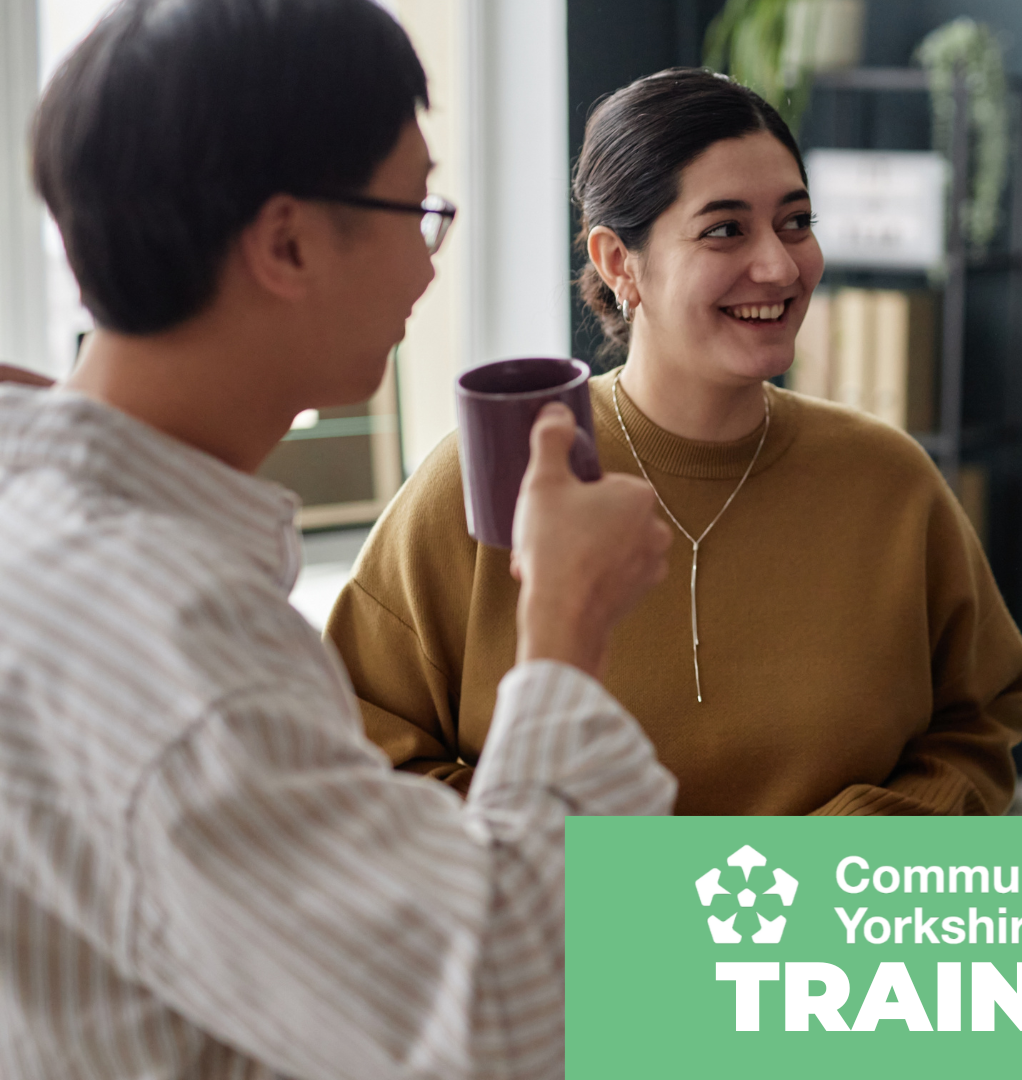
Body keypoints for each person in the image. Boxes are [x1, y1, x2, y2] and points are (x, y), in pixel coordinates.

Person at [1, 1, 680, 1076]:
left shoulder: (45, 518)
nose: (427, 269)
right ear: (286, 242)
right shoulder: (180, 653)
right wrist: (564, 629)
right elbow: (501, 1019)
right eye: (416, 210)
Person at [327, 69, 1022, 815]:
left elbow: (980, 717)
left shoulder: (891, 482)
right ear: (617, 263)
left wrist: (843, 862)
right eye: (725, 229)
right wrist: (596, 876)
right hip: (566, 927)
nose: (780, 264)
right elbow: (364, 747)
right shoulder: (485, 483)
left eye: (796, 222)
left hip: (828, 924)